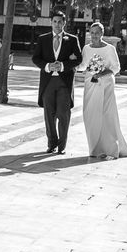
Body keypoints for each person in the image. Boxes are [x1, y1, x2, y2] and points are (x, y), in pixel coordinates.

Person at [77, 22, 127, 160]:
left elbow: (116, 68)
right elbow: (83, 66)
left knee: (107, 116)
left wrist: (101, 73)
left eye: (97, 32)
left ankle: (111, 149)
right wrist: (73, 64)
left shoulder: (109, 49)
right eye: (92, 32)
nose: (94, 35)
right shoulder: (86, 48)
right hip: (90, 84)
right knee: (90, 115)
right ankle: (94, 149)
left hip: (106, 84)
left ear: (102, 33)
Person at [32, 10, 82, 154]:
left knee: (63, 114)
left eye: (60, 22)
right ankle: (51, 144)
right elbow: (36, 58)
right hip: (48, 82)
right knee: (49, 115)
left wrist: (63, 65)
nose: (57, 24)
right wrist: (47, 66)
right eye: (55, 21)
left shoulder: (72, 39)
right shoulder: (43, 39)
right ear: (51, 22)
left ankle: (62, 146)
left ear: (64, 23)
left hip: (64, 83)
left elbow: (78, 59)